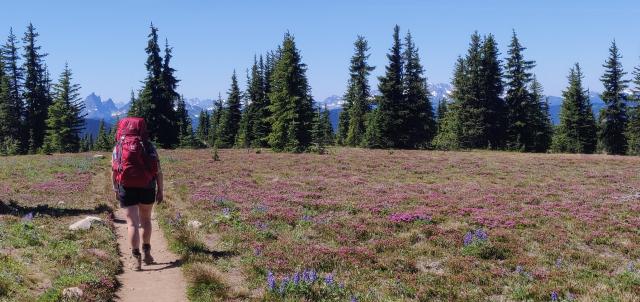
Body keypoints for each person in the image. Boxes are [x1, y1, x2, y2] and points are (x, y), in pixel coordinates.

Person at [111, 117, 164, 271]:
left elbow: (114, 171)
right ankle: (147, 252)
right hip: (147, 186)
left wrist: (116, 189)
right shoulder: (149, 146)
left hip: (126, 187)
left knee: (132, 223)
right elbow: (158, 171)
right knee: (146, 220)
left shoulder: (118, 147)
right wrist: (160, 190)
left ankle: (136, 259)